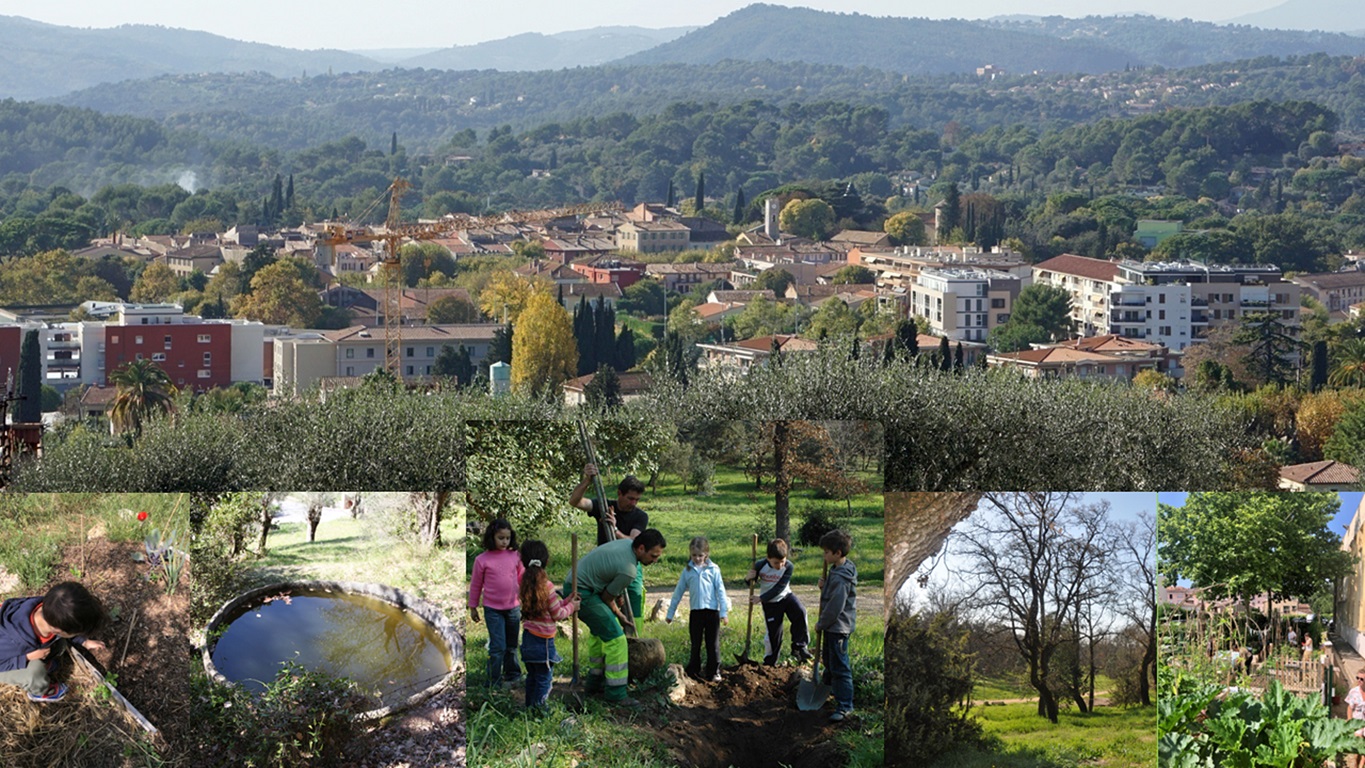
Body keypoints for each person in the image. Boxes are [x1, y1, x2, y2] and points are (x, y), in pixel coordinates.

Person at [565, 529, 667, 703]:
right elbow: (607, 598)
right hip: (581, 593)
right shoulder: (629, 570)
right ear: (641, 548)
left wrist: (616, 596)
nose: (655, 560)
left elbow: (609, 581)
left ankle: (594, 681)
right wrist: (619, 615)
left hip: (576, 584)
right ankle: (616, 693)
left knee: (600, 633)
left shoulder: (627, 545)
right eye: (653, 556)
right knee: (616, 639)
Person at [0, 581, 108, 702]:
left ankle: (45, 661)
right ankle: (39, 692)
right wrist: (27, 657)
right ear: (57, 629)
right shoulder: (14, 642)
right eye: (77, 633)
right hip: (3, 662)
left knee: (58, 644)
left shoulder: (51, 608)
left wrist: (84, 642)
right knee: (35, 671)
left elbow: (66, 627)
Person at [569, 464, 649, 622]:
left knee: (634, 601)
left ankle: (634, 637)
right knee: (604, 605)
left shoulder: (640, 516)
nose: (634, 503)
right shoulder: (604, 507)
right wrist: (587, 481)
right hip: (606, 565)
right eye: (630, 498)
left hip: (631, 566)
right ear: (620, 493)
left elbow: (634, 541)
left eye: (637, 500)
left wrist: (615, 529)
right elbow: (575, 501)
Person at [517, 540, 580, 711]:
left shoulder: (525, 583)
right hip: (544, 643)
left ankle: (529, 707)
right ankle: (540, 709)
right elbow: (557, 614)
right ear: (546, 561)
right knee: (544, 679)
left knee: (532, 676)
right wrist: (572, 607)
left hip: (528, 639)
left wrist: (566, 601)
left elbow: (545, 608)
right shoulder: (548, 586)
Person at [666, 537, 731, 682]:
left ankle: (713, 671)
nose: (697, 558)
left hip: (712, 612)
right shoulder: (688, 571)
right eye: (694, 555)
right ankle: (694, 670)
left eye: (700, 555)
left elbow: (721, 591)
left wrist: (724, 612)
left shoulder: (714, 569)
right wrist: (670, 613)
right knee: (695, 643)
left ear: (706, 554)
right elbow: (678, 592)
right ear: (690, 554)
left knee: (712, 643)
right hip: (696, 612)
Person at [469, 519, 524, 688]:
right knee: (497, 646)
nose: (504, 541)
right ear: (491, 537)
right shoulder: (482, 559)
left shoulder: (515, 556)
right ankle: (494, 680)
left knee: (512, 645)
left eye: (507, 538)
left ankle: (513, 674)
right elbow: (476, 584)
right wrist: (473, 606)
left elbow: (522, 577)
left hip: (513, 607)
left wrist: (526, 598)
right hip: (493, 609)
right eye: (501, 538)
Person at [745, 538, 811, 666]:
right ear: (768, 558)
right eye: (776, 563)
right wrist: (749, 577)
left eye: (782, 561)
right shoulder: (759, 565)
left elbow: (780, 587)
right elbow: (750, 583)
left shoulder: (788, 566)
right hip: (770, 605)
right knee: (774, 634)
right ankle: (770, 662)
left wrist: (761, 598)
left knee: (800, 613)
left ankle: (800, 647)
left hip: (786, 596)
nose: (780, 565)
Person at [815, 529, 857, 723]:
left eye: (826, 552)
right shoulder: (838, 570)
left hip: (836, 627)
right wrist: (825, 584)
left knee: (840, 667)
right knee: (830, 663)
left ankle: (845, 706)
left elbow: (835, 606)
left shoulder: (841, 578)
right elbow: (831, 593)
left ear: (837, 553)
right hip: (833, 627)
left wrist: (821, 623)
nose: (824, 555)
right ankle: (826, 692)